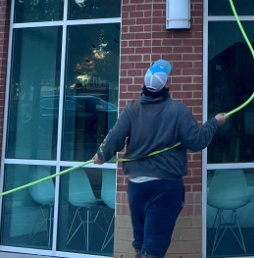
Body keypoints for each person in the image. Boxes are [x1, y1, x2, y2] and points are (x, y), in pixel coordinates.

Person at [93, 59, 228, 258]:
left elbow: (114, 137)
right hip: (165, 189)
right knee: (152, 251)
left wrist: (101, 155)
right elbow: (196, 142)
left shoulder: (132, 109)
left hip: (136, 187)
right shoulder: (178, 110)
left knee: (142, 244)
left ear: (145, 85)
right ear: (165, 86)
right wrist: (215, 123)